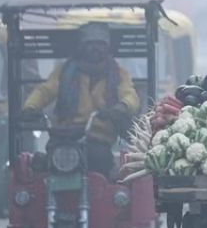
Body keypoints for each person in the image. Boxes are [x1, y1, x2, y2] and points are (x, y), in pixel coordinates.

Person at [20, 22, 138, 175]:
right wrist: (30, 107)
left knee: (100, 159)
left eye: (100, 44)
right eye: (90, 44)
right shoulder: (65, 71)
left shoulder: (118, 73)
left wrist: (122, 107)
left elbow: (130, 94)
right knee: (45, 165)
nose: (95, 48)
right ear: (81, 47)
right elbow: (45, 91)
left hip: (98, 138)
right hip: (64, 136)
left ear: (107, 47)